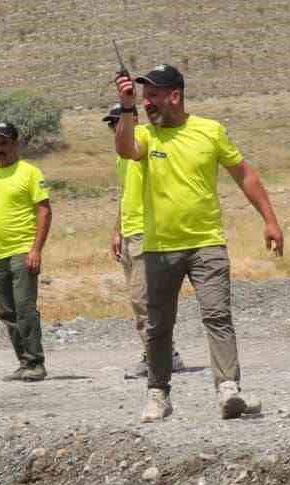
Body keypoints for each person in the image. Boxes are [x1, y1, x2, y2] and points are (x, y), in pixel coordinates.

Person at [114, 65, 285, 422]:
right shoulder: (145, 135)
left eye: (154, 97)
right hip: (159, 248)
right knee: (159, 325)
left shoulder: (210, 131)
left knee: (217, 315)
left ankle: (228, 390)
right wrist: (126, 107)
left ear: (175, 95)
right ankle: (158, 394)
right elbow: (126, 149)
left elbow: (245, 175)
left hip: (207, 243)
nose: (149, 104)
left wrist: (270, 220)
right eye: (145, 98)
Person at [0, 122, 54, 382]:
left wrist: (36, 249)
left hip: (22, 251)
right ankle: (25, 362)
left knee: (25, 308)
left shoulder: (30, 173)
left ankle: (36, 363)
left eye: (4, 143)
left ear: (16, 143)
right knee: (7, 311)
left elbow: (44, 210)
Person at [103, 104, 184, 382]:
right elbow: (127, 195)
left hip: (145, 233)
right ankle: (160, 354)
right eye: (111, 125)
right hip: (129, 232)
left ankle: (160, 357)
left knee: (144, 299)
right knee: (139, 301)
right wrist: (117, 230)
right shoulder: (121, 157)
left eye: (118, 122)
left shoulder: (146, 146)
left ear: (133, 119)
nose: (115, 128)